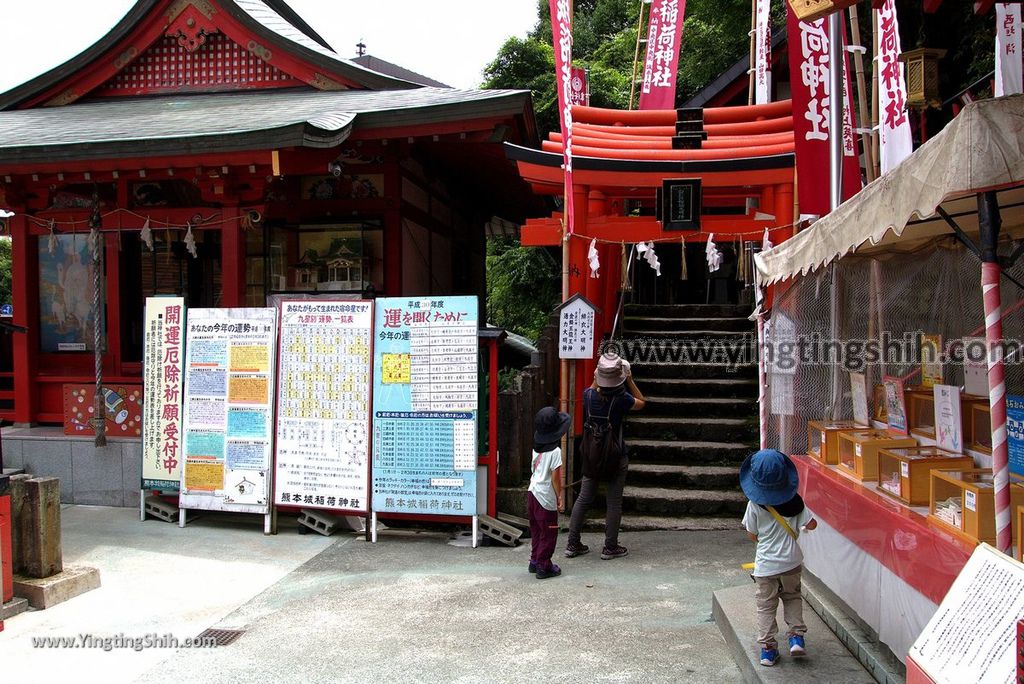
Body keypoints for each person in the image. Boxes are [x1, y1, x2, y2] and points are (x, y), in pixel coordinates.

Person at [740, 448, 818, 667]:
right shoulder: (796, 502)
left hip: (766, 565)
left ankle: (767, 650)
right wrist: (801, 526)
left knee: (766, 605)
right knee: (792, 596)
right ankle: (796, 638)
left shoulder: (754, 505)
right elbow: (812, 524)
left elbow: (752, 534)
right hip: (792, 562)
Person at [564, 352, 645, 560]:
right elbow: (641, 402)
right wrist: (629, 379)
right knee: (614, 501)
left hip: (592, 455)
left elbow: (592, 388)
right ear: (618, 377)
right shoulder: (622, 399)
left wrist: (595, 377)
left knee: (584, 498)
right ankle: (610, 547)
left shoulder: (588, 396)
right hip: (616, 456)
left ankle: (572, 543)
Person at [528, 406, 570, 579]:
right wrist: (559, 496)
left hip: (532, 492)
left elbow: (533, 469)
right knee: (549, 531)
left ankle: (534, 561)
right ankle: (544, 566)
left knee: (536, 530)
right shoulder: (556, 452)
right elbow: (555, 478)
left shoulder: (536, 448)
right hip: (546, 497)